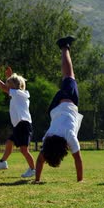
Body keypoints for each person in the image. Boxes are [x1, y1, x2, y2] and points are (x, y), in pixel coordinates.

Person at [34, 36, 84, 183]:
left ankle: (64, 46)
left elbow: (78, 160)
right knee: (66, 78)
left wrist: (80, 180)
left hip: (67, 103)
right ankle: (64, 47)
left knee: (69, 76)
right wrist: (37, 179)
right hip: (54, 108)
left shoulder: (69, 136)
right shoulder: (48, 137)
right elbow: (40, 160)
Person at [0, 66, 36, 178]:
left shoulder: (18, 93)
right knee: (9, 143)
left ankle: (33, 169)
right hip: (20, 125)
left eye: (9, 82)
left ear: (14, 86)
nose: (7, 84)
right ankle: (2, 162)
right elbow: (8, 87)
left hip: (23, 125)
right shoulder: (19, 94)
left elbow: (3, 87)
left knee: (24, 150)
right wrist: (9, 77)